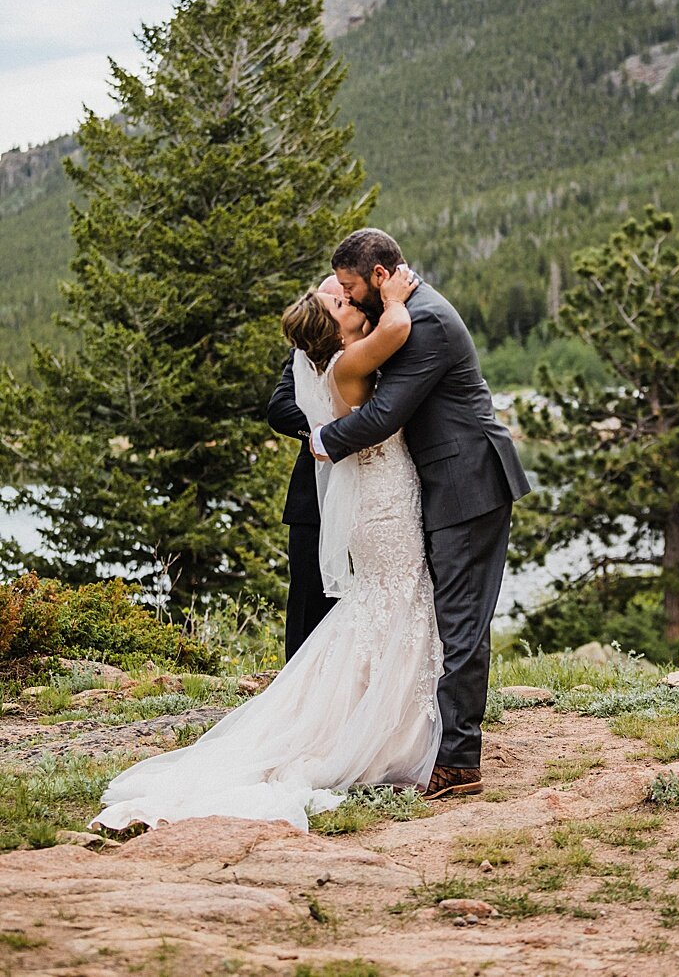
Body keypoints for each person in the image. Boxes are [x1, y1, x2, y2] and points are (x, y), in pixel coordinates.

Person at [95, 263, 440, 830]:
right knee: (395, 600)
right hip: (380, 505)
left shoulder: (342, 358)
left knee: (385, 607)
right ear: (333, 330)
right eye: (338, 303)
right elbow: (398, 327)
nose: (349, 301)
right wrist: (397, 293)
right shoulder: (352, 360)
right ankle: (381, 733)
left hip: (382, 495)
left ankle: (374, 718)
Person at [310, 228, 531, 800]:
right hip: (443, 482)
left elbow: (384, 414)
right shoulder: (401, 312)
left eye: (353, 286)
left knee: (459, 619)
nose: (349, 297)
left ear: (379, 277)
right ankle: (441, 744)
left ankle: (460, 762)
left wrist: (323, 441)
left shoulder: (423, 320)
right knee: (447, 613)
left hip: (468, 483)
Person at [266, 279, 345, 659]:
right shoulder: (304, 354)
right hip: (311, 503)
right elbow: (279, 409)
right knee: (306, 602)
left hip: (369, 499)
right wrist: (324, 432)